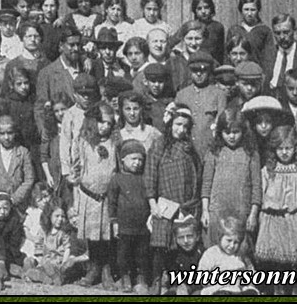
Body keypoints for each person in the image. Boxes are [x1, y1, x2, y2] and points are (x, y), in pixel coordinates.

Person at [145, 105, 201, 295]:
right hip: (165, 203)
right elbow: (151, 173)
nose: (181, 130)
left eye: (185, 126)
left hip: (185, 204)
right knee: (162, 245)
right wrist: (152, 203)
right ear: (170, 124)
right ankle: (157, 281)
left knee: (180, 245)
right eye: (178, 124)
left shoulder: (189, 147)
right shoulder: (160, 144)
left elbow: (195, 174)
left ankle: (179, 282)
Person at [254, 126, 297, 296]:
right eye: (280, 148)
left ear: (295, 148)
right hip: (273, 221)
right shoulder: (268, 171)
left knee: (296, 264)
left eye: (288, 148)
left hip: (296, 221)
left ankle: (296, 291)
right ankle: (277, 291)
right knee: (276, 264)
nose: (284, 152)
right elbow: (260, 198)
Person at [73, 103, 120, 290]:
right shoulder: (84, 141)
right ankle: (93, 269)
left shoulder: (115, 142)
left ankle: (107, 271)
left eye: (109, 123)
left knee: (107, 236)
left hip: (108, 198)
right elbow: (76, 166)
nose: (104, 127)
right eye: (101, 122)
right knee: (93, 236)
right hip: (89, 196)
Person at [202, 107, 261, 250]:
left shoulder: (251, 153)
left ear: (243, 131)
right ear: (220, 132)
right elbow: (206, 184)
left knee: (240, 251)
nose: (231, 137)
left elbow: (256, 187)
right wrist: (205, 211)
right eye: (227, 132)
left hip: (242, 212)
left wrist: (253, 214)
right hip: (217, 212)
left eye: (236, 132)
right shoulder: (214, 152)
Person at [107, 140, 150, 295]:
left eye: (140, 160)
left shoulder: (145, 178)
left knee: (142, 253)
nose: (137, 163)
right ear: (123, 159)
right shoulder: (117, 179)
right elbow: (111, 202)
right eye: (133, 159)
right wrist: (114, 222)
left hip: (142, 226)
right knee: (123, 254)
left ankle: (141, 278)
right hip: (124, 225)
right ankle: (125, 277)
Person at [24, 197, 86, 286]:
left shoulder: (64, 232)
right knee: (36, 266)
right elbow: (39, 247)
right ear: (49, 216)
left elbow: (67, 249)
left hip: (59, 262)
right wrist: (40, 261)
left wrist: (64, 263)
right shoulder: (44, 231)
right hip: (46, 261)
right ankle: (45, 277)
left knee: (62, 270)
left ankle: (55, 277)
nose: (60, 219)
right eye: (57, 216)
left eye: (63, 216)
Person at [198, 216, 259, 295]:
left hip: (238, 290)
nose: (232, 245)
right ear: (220, 237)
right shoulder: (211, 254)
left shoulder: (241, 255)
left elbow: (251, 274)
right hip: (218, 289)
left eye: (236, 242)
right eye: (229, 240)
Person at [0, 116, 35, 211]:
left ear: (15, 133)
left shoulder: (23, 152)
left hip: (19, 203)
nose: (6, 137)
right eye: (2, 133)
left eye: (10, 133)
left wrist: (13, 199)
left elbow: (29, 179)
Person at [225, 0, 275, 76]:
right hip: (236, 74)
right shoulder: (234, 30)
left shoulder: (264, 31)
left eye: (253, 10)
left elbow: (269, 58)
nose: (249, 13)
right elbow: (227, 56)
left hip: (256, 74)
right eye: (246, 9)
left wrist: (265, 75)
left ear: (258, 10)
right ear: (241, 10)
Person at [169, 0, 224, 66]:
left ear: (211, 8)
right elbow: (170, 43)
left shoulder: (218, 27)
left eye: (206, 7)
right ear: (195, 10)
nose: (203, 11)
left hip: (211, 65)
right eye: (199, 8)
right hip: (192, 65)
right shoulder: (189, 26)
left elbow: (221, 53)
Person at [242, 95, 293, 168]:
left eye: (268, 122)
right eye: (259, 122)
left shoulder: (280, 141)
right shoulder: (249, 143)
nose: (263, 126)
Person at [0, 191, 25, 286]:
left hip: (10, 252)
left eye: (5, 208)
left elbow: (15, 242)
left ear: (10, 208)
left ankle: (10, 269)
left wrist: (3, 257)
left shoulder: (14, 221)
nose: (2, 212)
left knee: (19, 260)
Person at [268, 13, 297, 92]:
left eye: (286, 32)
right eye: (277, 33)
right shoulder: (268, 53)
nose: (281, 37)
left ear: (294, 31)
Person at [168, 219, 205, 295]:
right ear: (176, 239)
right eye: (181, 237)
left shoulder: (203, 254)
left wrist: (189, 288)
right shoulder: (174, 255)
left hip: (198, 288)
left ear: (197, 236)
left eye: (189, 236)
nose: (185, 241)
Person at [21, 183, 51, 266]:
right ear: (34, 200)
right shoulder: (32, 211)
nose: (44, 201)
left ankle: (41, 267)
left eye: (46, 197)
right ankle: (31, 265)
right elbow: (25, 229)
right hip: (33, 240)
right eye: (40, 200)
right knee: (31, 255)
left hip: (46, 240)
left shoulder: (51, 210)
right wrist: (33, 238)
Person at [140, 63, 172, 133]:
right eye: (153, 81)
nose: (157, 85)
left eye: (160, 81)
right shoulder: (141, 103)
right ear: (145, 81)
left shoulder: (170, 103)